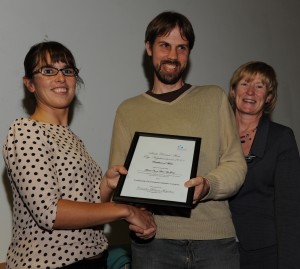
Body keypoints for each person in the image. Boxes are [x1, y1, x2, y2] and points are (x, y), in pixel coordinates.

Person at [109, 11, 247, 269]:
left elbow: (236, 165)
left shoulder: (213, 98)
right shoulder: (128, 110)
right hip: (154, 244)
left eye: (181, 47)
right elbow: (122, 183)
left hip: (215, 240)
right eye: (165, 45)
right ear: (149, 48)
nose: (173, 56)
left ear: (189, 52)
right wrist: (140, 216)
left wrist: (208, 185)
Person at [2, 41, 156, 269]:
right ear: (30, 84)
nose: (60, 77)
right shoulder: (25, 130)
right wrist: (126, 210)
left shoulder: (72, 138)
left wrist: (105, 185)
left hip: (92, 260)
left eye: (67, 70)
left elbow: (88, 207)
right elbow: (50, 212)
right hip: (49, 264)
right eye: (47, 70)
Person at [228, 61, 300, 268]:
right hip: (215, 248)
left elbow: (290, 209)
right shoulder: (215, 134)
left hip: (263, 253)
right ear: (234, 91)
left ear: (268, 97)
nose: (250, 91)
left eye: (259, 86)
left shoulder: (281, 138)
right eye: (244, 84)